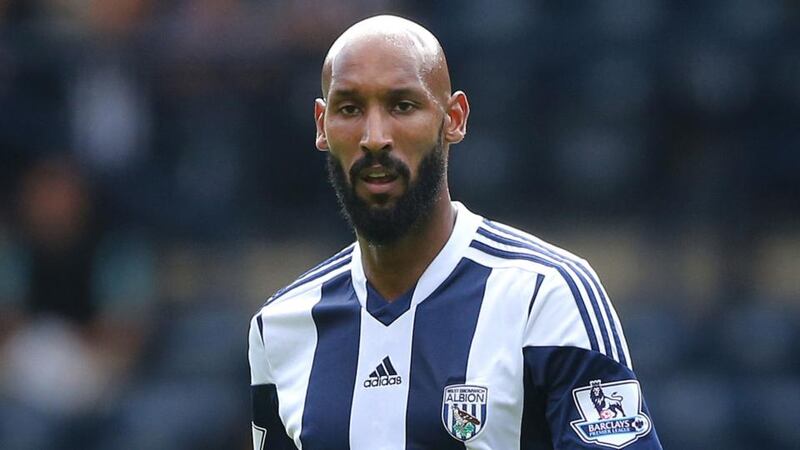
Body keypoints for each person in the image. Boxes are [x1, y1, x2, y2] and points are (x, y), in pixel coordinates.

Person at [248, 15, 662, 450]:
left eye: (402, 106)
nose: (374, 137)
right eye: (349, 109)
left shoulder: (545, 297)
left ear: (454, 118)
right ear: (321, 125)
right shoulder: (280, 327)